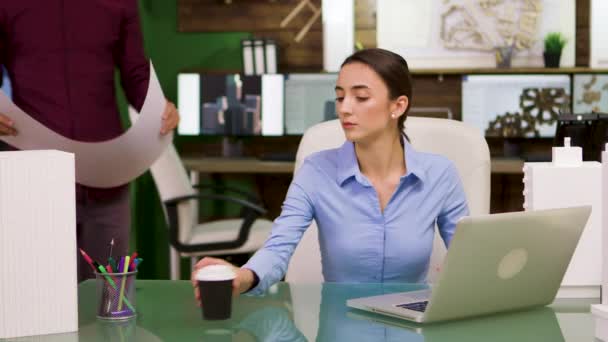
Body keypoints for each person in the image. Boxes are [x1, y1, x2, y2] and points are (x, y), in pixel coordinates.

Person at [192, 48, 468, 301]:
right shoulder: (316, 171)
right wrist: (244, 276)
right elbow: (278, 247)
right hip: (341, 325)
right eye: (339, 96)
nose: (345, 108)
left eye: (361, 97)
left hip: (413, 325)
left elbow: (469, 258)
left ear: (398, 106)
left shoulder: (440, 175)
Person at [0, 1, 179, 281]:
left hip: (107, 177)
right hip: (33, 179)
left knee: (110, 299)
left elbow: (136, 74)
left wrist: (159, 107)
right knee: (42, 299)